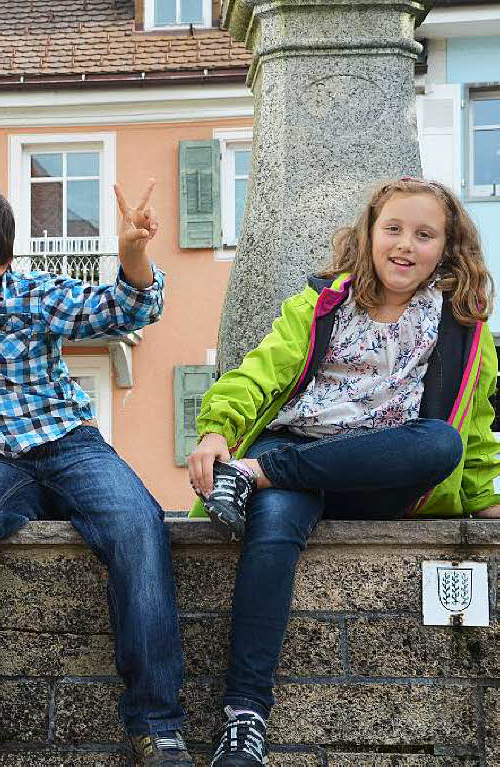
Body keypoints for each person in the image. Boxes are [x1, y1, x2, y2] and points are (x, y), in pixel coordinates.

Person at [187, 176, 500, 765]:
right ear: (371, 234)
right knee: (274, 530)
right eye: (394, 229)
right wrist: (216, 431)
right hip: (300, 455)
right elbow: (257, 374)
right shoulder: (322, 304)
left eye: (425, 234)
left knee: (440, 443)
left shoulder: (464, 328)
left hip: (380, 474)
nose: (406, 245)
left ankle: (259, 472)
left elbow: (475, 427)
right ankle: (243, 719)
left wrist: (485, 500)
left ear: (447, 247)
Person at [0, 180, 191, 766]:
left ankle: (156, 722)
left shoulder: (33, 297)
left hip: (70, 445)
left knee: (138, 523)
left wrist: (131, 253)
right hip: (0, 463)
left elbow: (125, 309)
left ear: (1, 262)